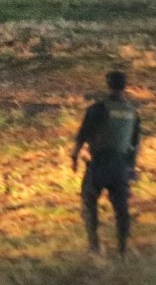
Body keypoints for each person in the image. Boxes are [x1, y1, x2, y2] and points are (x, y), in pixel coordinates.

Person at [71, 70, 141, 256]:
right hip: (120, 166)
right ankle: (122, 248)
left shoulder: (98, 108)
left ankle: (94, 245)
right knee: (121, 208)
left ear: (108, 85)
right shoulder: (132, 112)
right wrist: (131, 167)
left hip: (99, 165)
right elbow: (135, 144)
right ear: (125, 86)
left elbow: (82, 135)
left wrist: (74, 157)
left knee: (89, 201)